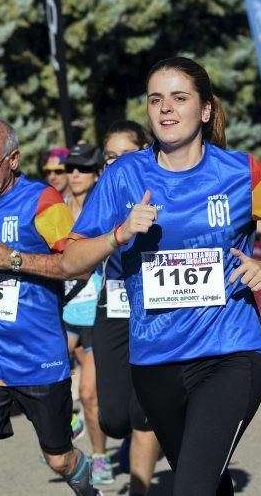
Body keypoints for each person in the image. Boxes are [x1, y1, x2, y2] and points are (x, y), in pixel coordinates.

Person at [62, 57, 261, 495]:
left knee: (192, 489)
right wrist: (119, 234)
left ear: (204, 110)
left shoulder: (240, 172)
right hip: (154, 362)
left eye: (179, 98)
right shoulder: (123, 176)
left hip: (228, 355)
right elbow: (71, 260)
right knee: (204, 481)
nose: (166, 108)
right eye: (156, 100)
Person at [0, 118, 98, 496]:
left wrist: (12, 259)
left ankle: (88, 487)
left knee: (59, 457)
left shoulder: (43, 201)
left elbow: (78, 264)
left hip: (38, 355)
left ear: (13, 159)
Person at [91, 121, 160, 495]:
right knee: (114, 417)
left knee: (141, 411)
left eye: (126, 155)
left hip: (155, 302)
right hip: (114, 300)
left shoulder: (160, 186)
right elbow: (75, 246)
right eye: (110, 157)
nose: (117, 164)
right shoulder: (102, 194)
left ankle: (140, 490)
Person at [58, 143, 115, 484]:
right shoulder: (56, 211)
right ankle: (69, 422)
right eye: (70, 169)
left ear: (97, 174)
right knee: (46, 374)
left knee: (90, 393)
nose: (74, 174)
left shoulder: (104, 210)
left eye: (82, 168)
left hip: (96, 310)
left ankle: (100, 456)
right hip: (64, 309)